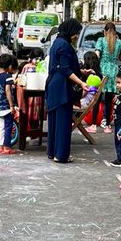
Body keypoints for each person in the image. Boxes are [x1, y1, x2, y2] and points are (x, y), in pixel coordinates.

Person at [45, 18, 87, 164]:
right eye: (76, 33)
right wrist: (81, 82)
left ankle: (52, 151)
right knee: (63, 122)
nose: (76, 36)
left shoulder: (57, 42)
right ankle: (61, 155)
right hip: (62, 87)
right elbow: (65, 69)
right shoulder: (64, 45)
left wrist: (81, 72)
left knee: (54, 121)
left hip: (53, 85)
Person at [94, 21, 121, 129]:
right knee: (109, 99)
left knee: (98, 96)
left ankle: (95, 122)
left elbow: (97, 55)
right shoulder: (119, 42)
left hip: (103, 69)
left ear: (104, 31)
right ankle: (106, 121)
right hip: (114, 70)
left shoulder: (101, 41)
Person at [0, 52, 19, 154]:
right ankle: (7, 147)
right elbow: (8, 91)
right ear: (10, 66)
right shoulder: (8, 77)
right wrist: (12, 105)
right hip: (6, 107)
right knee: (8, 126)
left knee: (1, 127)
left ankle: (0, 146)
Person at [80, 51, 104, 131]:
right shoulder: (98, 75)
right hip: (91, 101)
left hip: (84, 102)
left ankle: (73, 121)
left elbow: (84, 93)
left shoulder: (90, 77)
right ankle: (92, 124)